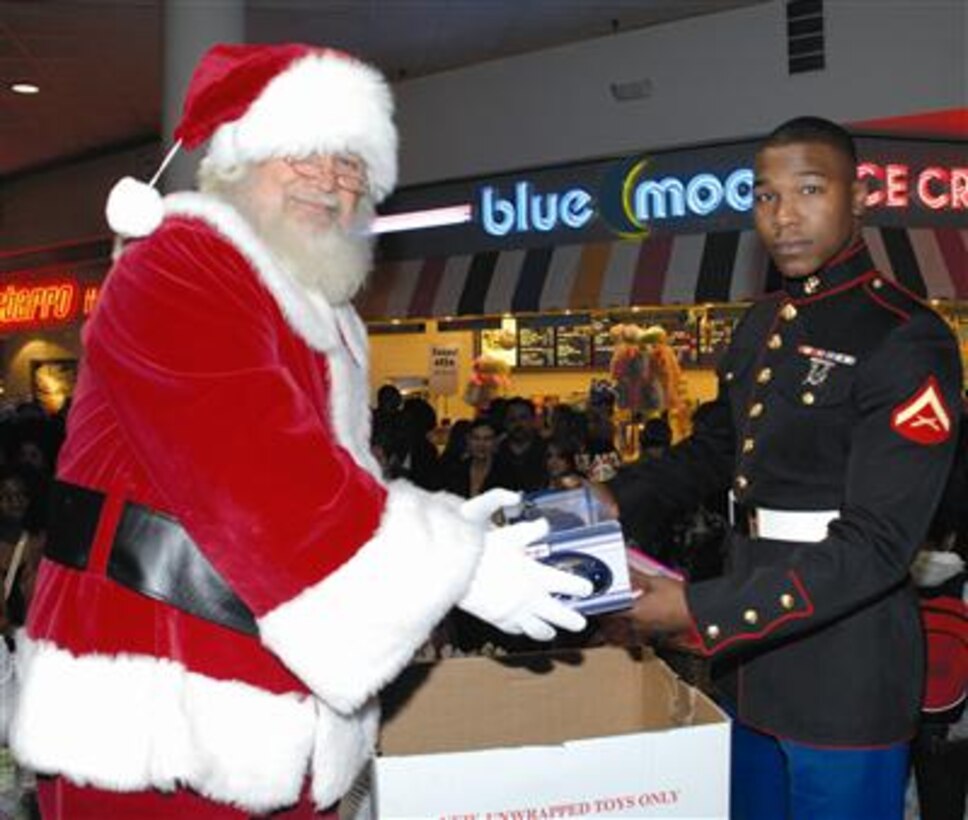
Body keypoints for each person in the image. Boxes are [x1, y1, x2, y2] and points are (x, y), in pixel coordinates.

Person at [10, 43, 592, 820]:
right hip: (160, 724)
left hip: (265, 707)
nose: (332, 180)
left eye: (353, 164)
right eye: (303, 153)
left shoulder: (319, 309)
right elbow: (259, 477)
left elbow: (325, 476)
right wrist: (463, 568)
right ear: (237, 160)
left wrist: (449, 529)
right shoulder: (177, 264)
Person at [598, 116, 962, 819]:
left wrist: (698, 610)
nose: (784, 216)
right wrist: (616, 496)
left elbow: (880, 547)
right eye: (766, 196)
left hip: (843, 665)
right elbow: (715, 447)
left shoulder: (905, 337)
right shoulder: (763, 324)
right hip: (751, 665)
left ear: (860, 199)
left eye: (810, 190)